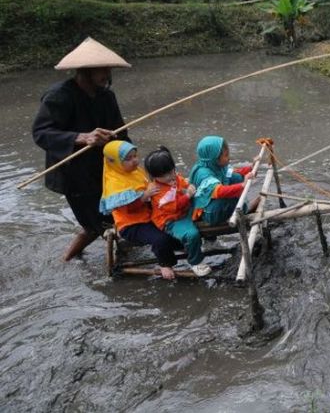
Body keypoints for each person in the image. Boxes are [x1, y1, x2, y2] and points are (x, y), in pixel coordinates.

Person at [32, 37, 131, 261]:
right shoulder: (59, 96)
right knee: (94, 225)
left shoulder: (107, 96)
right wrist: (82, 137)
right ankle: (66, 260)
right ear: (85, 72)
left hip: (103, 169)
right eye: (101, 70)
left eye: (108, 69)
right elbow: (41, 133)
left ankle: (120, 253)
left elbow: (120, 131)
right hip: (73, 173)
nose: (106, 74)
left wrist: (128, 153)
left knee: (116, 216)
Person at [99, 141, 181, 280]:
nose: (135, 160)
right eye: (128, 159)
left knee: (177, 229)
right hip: (131, 224)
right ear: (115, 162)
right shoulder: (115, 182)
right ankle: (165, 264)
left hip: (149, 215)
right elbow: (129, 209)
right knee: (160, 239)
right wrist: (145, 196)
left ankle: (179, 248)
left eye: (135, 156)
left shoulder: (136, 172)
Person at [144, 147, 210, 277]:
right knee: (191, 235)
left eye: (171, 172)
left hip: (184, 210)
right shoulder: (156, 190)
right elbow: (173, 207)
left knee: (207, 202)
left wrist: (188, 187)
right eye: (164, 175)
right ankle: (196, 262)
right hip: (171, 219)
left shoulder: (175, 177)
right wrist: (188, 196)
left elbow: (183, 184)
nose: (169, 177)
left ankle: (210, 240)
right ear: (154, 176)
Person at [189, 136, 259, 226]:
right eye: (226, 155)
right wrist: (243, 185)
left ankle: (243, 207)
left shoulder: (215, 166)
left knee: (236, 177)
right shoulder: (203, 173)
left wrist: (251, 168)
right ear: (214, 158)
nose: (229, 158)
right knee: (231, 199)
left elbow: (233, 173)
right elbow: (219, 191)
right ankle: (245, 210)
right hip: (207, 211)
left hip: (212, 201)